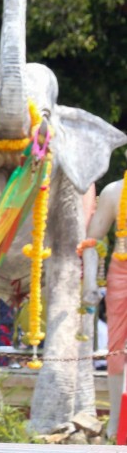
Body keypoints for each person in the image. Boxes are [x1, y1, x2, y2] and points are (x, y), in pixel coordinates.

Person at [82, 172, 127, 441]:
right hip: (122, 272)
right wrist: (90, 280)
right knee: (117, 348)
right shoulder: (114, 192)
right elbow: (92, 239)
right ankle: (116, 424)